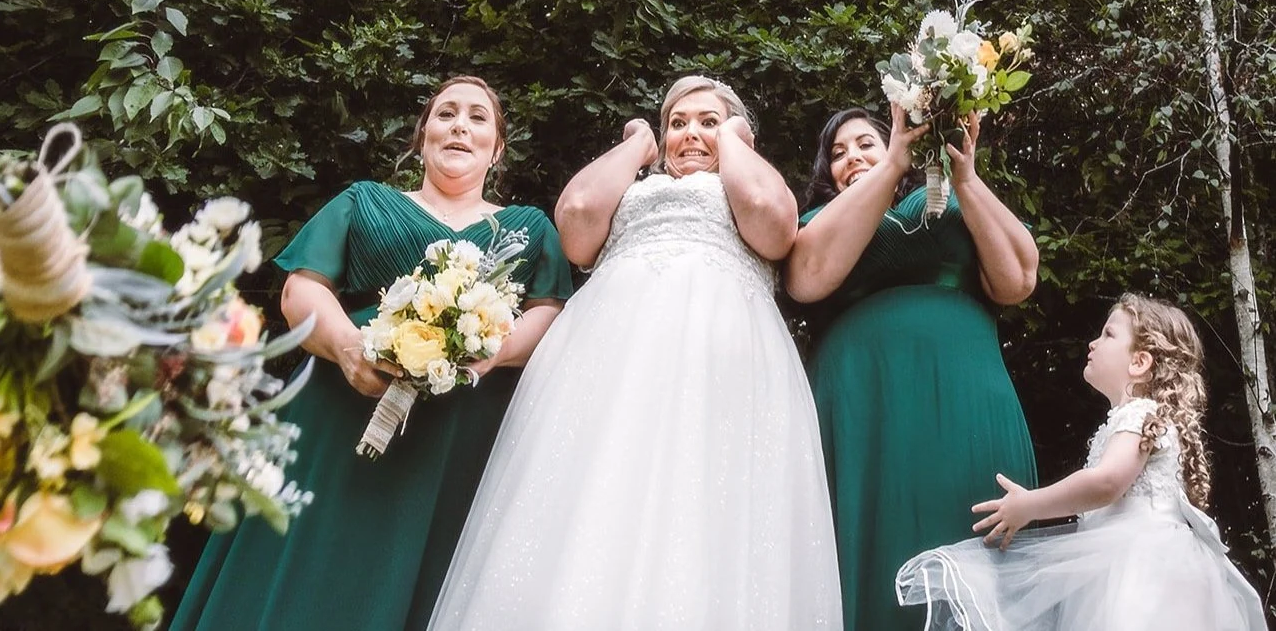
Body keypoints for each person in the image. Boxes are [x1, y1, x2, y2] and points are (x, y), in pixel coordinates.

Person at [428, 76, 843, 630]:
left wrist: (734, 141)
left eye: (708, 121)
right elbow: (577, 218)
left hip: (716, 358)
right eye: (677, 123)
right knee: (597, 490)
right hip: (609, 355)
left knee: (701, 500)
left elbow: (771, 218)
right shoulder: (634, 183)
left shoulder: (746, 177)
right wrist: (638, 143)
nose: (690, 133)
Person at [169, 76, 574, 631]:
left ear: (497, 148)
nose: (460, 125)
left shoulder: (530, 228)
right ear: (423, 136)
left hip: (459, 433)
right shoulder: (364, 201)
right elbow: (301, 289)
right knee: (309, 559)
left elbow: (548, 311)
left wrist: (489, 354)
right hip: (339, 406)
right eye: (446, 114)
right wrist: (348, 348)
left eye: (478, 117)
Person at [785, 106, 1038, 631]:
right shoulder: (818, 221)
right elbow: (808, 277)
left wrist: (964, 177)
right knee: (871, 544)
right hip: (862, 405)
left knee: (968, 529)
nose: (851, 158)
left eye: (865, 144)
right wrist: (891, 163)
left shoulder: (950, 196)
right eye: (838, 153)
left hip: (965, 396)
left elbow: (1018, 278)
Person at [896, 294, 1266, 631]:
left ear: (1139, 362)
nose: (1093, 343)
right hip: (1127, 567)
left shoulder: (1140, 414)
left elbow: (1106, 483)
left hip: (1139, 570)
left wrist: (1031, 504)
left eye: (1108, 334)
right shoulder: (1135, 419)